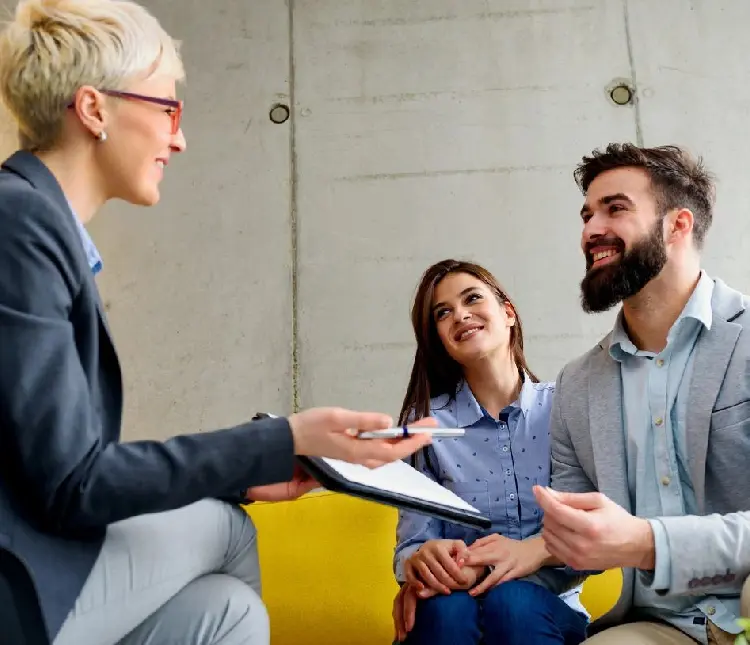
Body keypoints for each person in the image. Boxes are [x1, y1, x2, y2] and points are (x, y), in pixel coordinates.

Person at [0, 2, 434, 644]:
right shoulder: (20, 222)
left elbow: (60, 464)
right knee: (224, 531)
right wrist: (283, 437)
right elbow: (73, 483)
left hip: (38, 567)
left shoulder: (34, 226)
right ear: (94, 110)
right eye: (167, 110)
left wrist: (256, 467)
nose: (179, 138)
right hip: (19, 586)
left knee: (228, 612)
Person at [533, 143, 750, 645]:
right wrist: (473, 572)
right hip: (660, 624)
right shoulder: (576, 386)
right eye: (588, 214)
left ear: (678, 225)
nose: (591, 229)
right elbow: (575, 539)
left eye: (615, 208)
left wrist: (647, 543)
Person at [391, 259, 589, 645]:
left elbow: (592, 541)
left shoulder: (565, 407)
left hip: (543, 613)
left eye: (472, 298)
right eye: (443, 313)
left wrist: (486, 572)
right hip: (453, 609)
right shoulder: (426, 428)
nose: (460, 315)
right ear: (440, 340)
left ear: (508, 313)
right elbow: (409, 550)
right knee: (446, 610)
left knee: (512, 602)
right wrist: (422, 562)